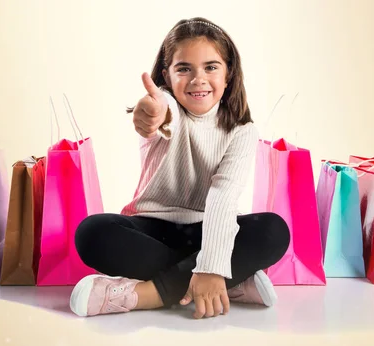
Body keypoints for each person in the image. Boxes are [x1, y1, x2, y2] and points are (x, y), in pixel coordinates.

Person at [69, 17, 290, 319]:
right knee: (91, 232)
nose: (198, 79)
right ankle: (229, 281)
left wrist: (210, 265)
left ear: (228, 75)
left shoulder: (242, 130)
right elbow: (161, 111)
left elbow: (223, 197)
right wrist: (152, 112)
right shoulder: (168, 110)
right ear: (167, 76)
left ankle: (146, 295)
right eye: (184, 69)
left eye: (211, 67)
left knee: (273, 230)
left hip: (207, 229)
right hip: (152, 228)